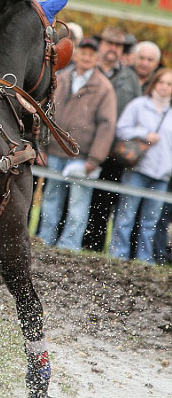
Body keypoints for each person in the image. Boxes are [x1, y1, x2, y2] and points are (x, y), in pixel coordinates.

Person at [36, 38, 117, 251]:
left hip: (82, 158)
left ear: (97, 58)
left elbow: (107, 126)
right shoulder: (60, 78)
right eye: (83, 52)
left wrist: (95, 159)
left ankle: (69, 246)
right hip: (54, 150)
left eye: (92, 54)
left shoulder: (104, 87)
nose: (87, 57)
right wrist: (41, 148)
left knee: (77, 205)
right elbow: (46, 113)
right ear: (77, 54)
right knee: (51, 199)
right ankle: (45, 240)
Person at [83, 26, 142, 252]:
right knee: (72, 196)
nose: (113, 49)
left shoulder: (130, 78)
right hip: (83, 147)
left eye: (118, 46)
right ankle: (63, 241)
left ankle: (93, 248)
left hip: (114, 152)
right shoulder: (86, 69)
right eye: (109, 43)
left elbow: (137, 112)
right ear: (101, 45)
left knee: (104, 201)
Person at [108, 68, 172, 263]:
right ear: (155, 83)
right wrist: (143, 134)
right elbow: (121, 129)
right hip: (137, 169)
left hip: (162, 173)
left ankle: (144, 259)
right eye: (162, 82)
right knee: (126, 215)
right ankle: (118, 255)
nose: (164, 87)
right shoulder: (138, 105)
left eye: (169, 84)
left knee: (150, 221)